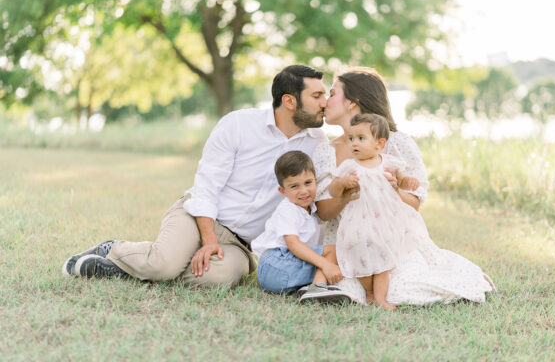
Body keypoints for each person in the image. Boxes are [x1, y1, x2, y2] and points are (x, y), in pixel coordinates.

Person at [62, 65, 345, 297]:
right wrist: (209, 240)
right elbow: (207, 186)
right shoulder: (238, 125)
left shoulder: (317, 143)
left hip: (239, 243)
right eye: (318, 95)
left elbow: (319, 199)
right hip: (196, 215)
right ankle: (115, 249)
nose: (325, 102)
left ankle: (145, 264)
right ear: (289, 100)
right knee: (164, 264)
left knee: (214, 279)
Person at [314, 67, 495, 305]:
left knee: (404, 286)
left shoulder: (395, 144)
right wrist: (344, 195)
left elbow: (415, 202)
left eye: (332, 93)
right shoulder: (326, 151)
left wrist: (395, 190)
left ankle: (456, 273)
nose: (325, 101)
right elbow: (324, 213)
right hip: (350, 244)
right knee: (351, 291)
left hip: (393, 240)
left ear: (352, 102)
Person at [329, 113, 421, 310]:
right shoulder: (349, 166)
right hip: (358, 221)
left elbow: (401, 179)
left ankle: (379, 297)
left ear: (379, 144)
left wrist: (407, 183)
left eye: (361, 138)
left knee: (383, 258)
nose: (354, 143)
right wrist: (343, 183)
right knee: (357, 250)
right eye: (351, 138)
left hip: (384, 220)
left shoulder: (388, 162)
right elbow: (333, 190)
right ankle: (368, 291)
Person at [251, 151, 350, 302]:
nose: (303, 191)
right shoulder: (288, 209)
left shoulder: (312, 210)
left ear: (315, 181)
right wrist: (326, 265)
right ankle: (318, 287)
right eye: (294, 186)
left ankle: (311, 286)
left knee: (332, 260)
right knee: (333, 251)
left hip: (281, 272)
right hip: (276, 264)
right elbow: (293, 244)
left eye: (308, 183)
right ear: (283, 191)